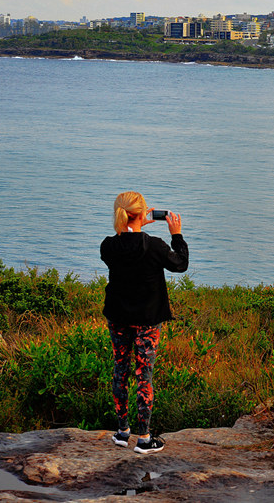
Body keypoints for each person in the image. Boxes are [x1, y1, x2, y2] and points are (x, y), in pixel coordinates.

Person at [100, 191, 188, 454]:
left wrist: (135, 228)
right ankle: (144, 438)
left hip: (118, 317)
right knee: (143, 376)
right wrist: (177, 235)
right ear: (140, 213)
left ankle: (121, 432)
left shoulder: (108, 246)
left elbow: (125, 247)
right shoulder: (156, 245)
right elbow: (180, 264)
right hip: (147, 321)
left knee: (120, 371)